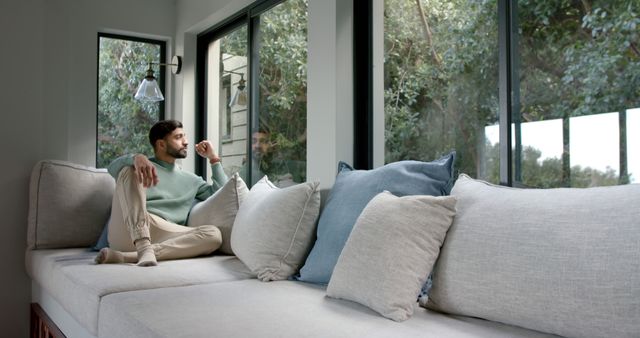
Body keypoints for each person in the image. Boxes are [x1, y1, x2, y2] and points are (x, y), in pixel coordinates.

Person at [95, 120, 228, 267]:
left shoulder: (192, 180)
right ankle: (143, 244)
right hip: (128, 229)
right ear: (161, 144)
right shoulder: (142, 166)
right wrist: (135, 158)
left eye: (185, 136)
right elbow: (113, 168)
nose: (186, 142)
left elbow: (223, 194)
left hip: (163, 233)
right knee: (129, 170)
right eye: (178, 137)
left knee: (213, 235)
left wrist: (213, 158)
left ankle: (129, 257)